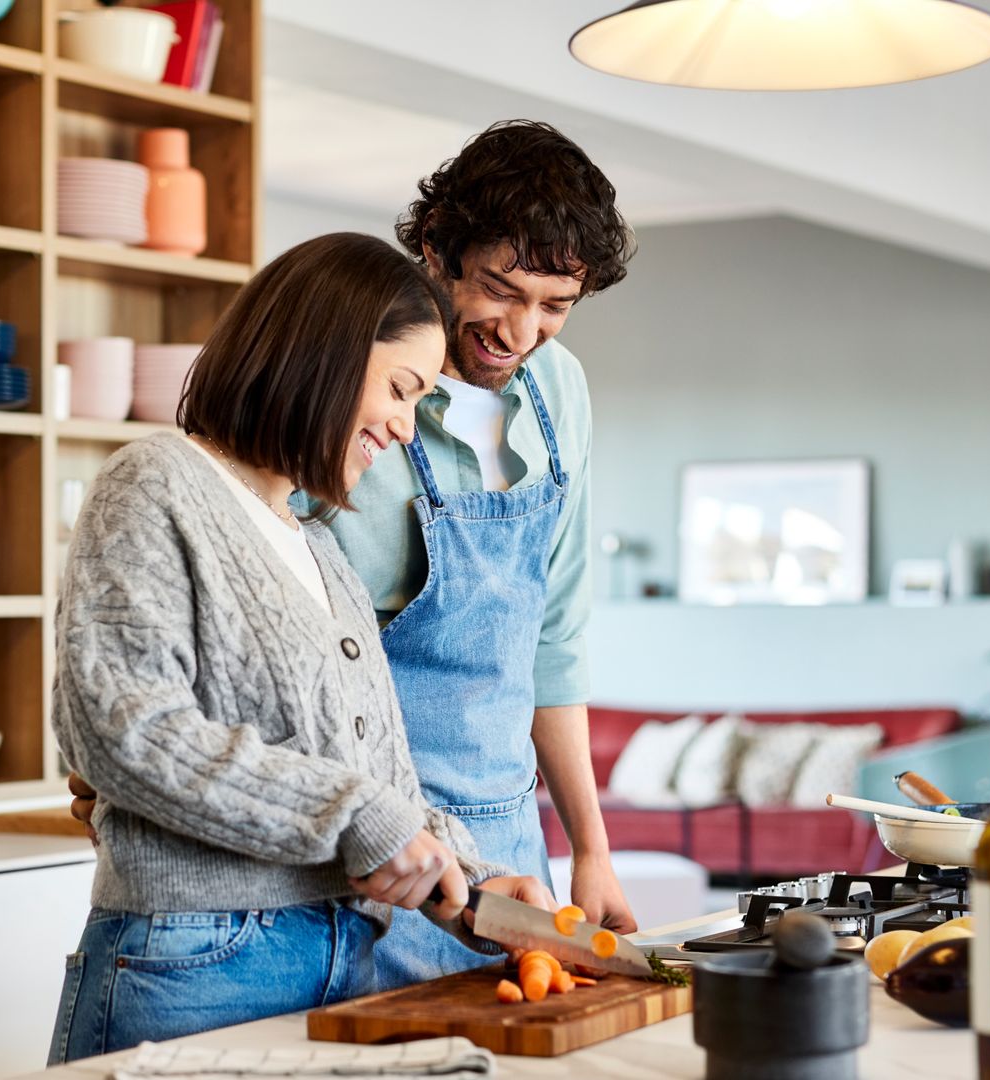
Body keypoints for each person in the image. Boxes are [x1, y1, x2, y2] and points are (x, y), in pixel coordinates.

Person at [71, 120, 641, 988]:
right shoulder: (232, 469)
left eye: (555, 308)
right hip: (350, 860)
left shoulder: (557, 395)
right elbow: (170, 691)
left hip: (469, 856)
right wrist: (117, 784)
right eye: (502, 289)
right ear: (437, 247)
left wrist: (587, 849)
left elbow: (553, 639)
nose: (523, 331)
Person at [46, 232, 553, 1065]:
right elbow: (121, 730)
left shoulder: (318, 547)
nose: (402, 426)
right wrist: (359, 818)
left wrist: (473, 881)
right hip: (196, 961)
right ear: (324, 351)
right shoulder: (155, 484)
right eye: (399, 389)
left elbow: (374, 779)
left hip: (344, 957)